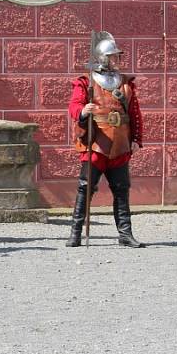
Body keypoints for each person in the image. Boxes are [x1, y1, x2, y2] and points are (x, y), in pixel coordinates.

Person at [67, 33, 145, 248]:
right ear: (102, 57)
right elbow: (74, 106)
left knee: (121, 189)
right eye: (112, 56)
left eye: (117, 57)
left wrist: (136, 139)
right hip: (96, 142)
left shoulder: (125, 83)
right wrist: (83, 110)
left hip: (120, 142)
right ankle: (75, 233)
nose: (115, 61)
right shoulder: (86, 81)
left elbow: (135, 113)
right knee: (85, 187)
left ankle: (125, 234)